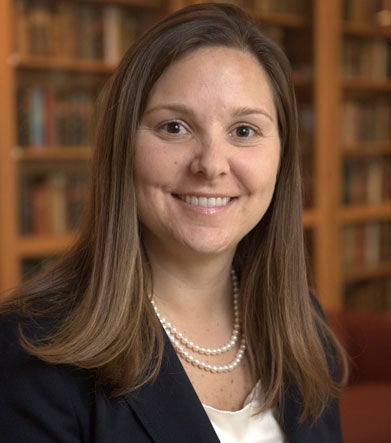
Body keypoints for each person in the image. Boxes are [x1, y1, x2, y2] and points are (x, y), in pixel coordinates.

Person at [0, 3, 348, 442]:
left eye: (244, 131)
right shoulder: (29, 351)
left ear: (281, 156)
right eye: (175, 127)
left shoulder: (304, 328)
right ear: (122, 145)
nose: (211, 165)